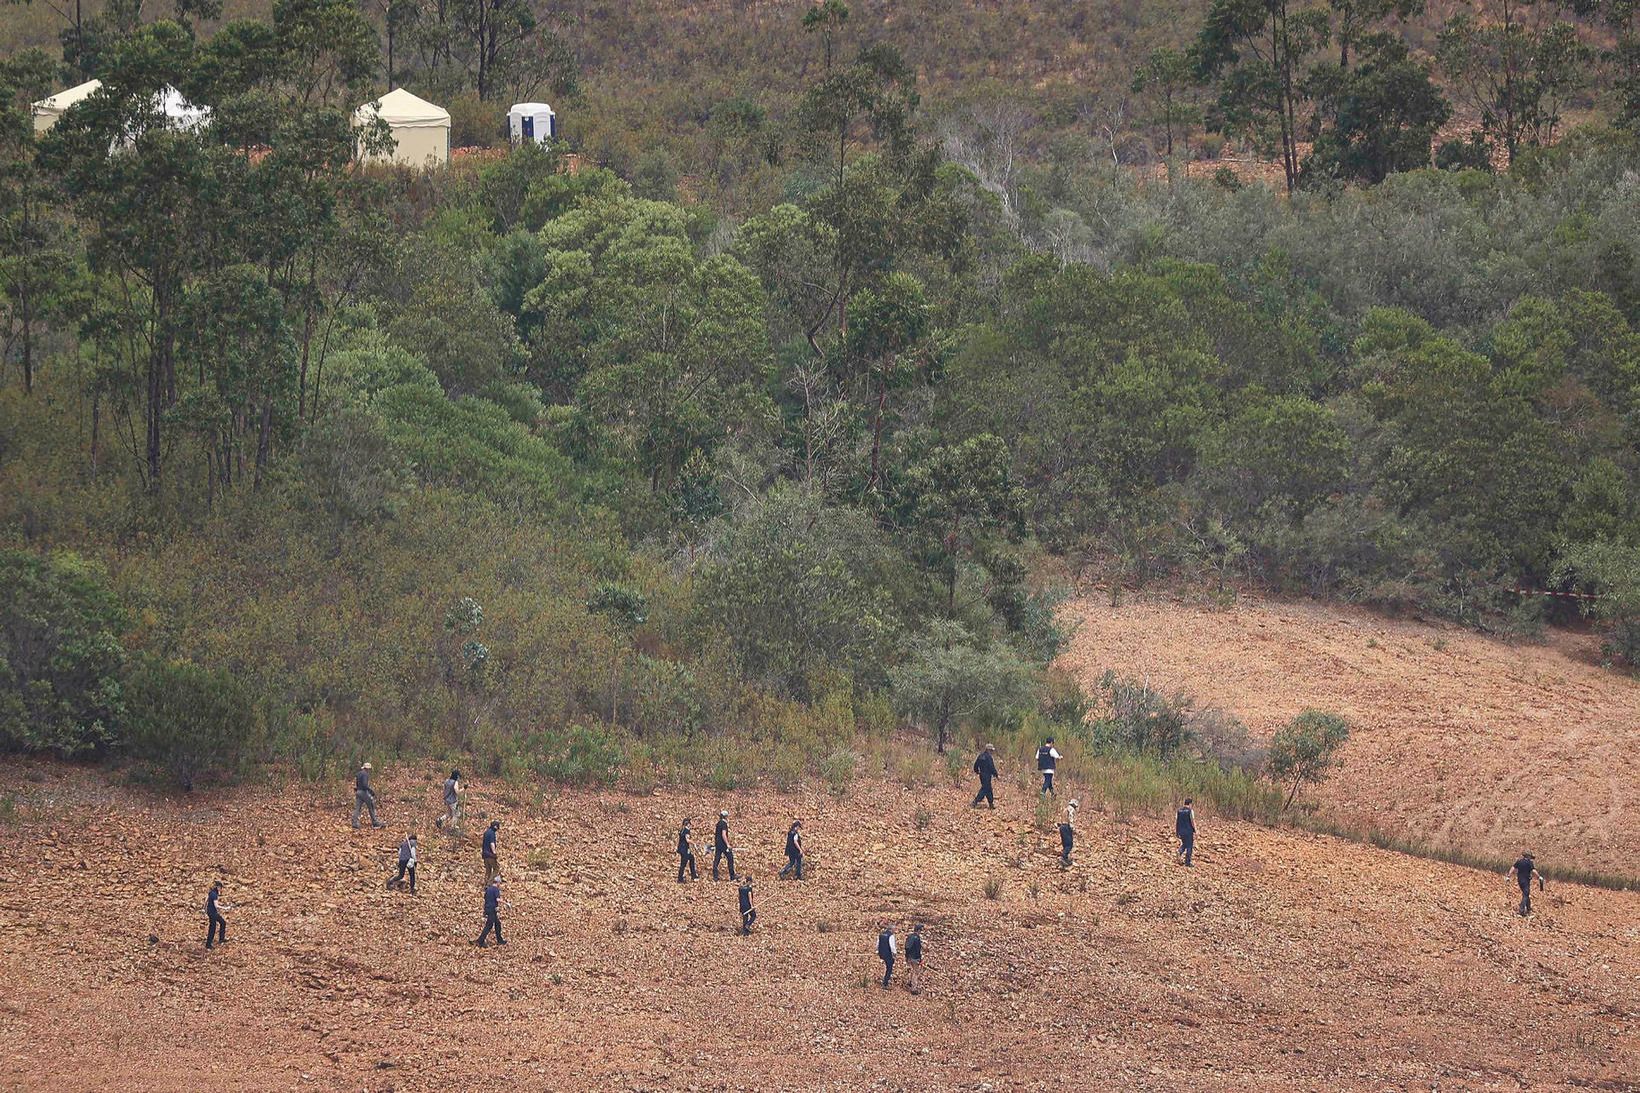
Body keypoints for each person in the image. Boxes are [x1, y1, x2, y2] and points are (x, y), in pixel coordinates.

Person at [473, 875, 505, 946]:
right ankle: (480, 941)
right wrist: (506, 903)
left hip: (488, 909)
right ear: (497, 883)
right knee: (489, 925)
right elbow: (497, 899)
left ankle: (500, 940)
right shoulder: (496, 889)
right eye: (500, 883)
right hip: (492, 910)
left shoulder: (488, 889)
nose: (500, 885)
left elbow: (486, 899)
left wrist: (485, 910)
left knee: (497, 924)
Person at [352, 762, 384, 828]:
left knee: (357, 808)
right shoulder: (365, 774)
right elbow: (364, 785)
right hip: (364, 792)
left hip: (358, 792)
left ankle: (355, 823)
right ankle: (375, 822)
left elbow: (358, 784)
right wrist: (371, 791)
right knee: (371, 806)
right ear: (367, 769)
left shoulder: (359, 774)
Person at [712, 809, 736, 881]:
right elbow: (723, 834)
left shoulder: (718, 823)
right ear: (725, 817)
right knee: (730, 858)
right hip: (723, 845)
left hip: (718, 844)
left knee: (717, 859)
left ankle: (715, 876)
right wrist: (728, 844)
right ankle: (732, 876)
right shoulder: (724, 824)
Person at [972, 744, 998, 809]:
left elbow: (975, 765)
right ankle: (975, 802)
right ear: (988, 750)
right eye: (991, 750)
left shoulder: (980, 756)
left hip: (982, 775)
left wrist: (977, 771)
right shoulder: (989, 757)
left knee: (988, 789)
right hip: (987, 775)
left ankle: (991, 804)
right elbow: (991, 767)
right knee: (984, 789)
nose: (992, 752)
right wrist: (996, 774)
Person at [204, 881, 227, 949]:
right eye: (220, 888)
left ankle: (221, 939)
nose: (221, 889)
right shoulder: (214, 894)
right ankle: (208, 944)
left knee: (222, 922)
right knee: (212, 928)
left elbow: (206, 900)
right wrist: (225, 908)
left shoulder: (211, 892)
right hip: (213, 913)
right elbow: (216, 905)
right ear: (218, 887)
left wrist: (205, 909)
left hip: (210, 912)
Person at [905, 923, 925, 994]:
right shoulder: (917, 938)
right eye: (921, 930)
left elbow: (907, 947)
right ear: (918, 930)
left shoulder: (910, 936)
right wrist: (919, 959)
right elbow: (917, 950)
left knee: (912, 970)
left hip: (909, 957)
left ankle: (910, 982)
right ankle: (913, 989)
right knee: (916, 972)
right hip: (914, 958)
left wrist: (907, 956)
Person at [1176, 798, 1196, 867]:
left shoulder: (1179, 811)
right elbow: (1192, 821)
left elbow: (1177, 821)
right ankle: (1187, 862)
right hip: (1188, 831)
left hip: (1181, 831)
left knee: (1184, 843)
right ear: (1190, 804)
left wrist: (1177, 831)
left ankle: (1180, 851)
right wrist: (1195, 830)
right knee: (1189, 846)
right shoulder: (1190, 811)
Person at [1059, 798, 1079, 869]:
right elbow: (1071, 819)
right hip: (1066, 827)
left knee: (1065, 844)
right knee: (1069, 844)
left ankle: (1065, 859)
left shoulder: (1065, 809)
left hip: (1062, 826)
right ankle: (1063, 857)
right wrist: (1073, 829)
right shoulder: (1071, 809)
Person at [877, 923, 897, 989]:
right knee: (889, 968)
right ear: (891, 929)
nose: (895, 930)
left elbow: (877, 944)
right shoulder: (891, 936)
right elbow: (892, 947)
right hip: (888, 954)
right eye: (894, 929)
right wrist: (894, 954)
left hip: (882, 953)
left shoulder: (881, 934)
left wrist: (877, 951)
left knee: (887, 967)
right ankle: (885, 983)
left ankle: (885, 979)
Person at [482, 820, 501, 884]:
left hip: (484, 855)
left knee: (488, 870)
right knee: (496, 869)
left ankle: (485, 883)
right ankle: (489, 883)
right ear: (495, 826)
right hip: (490, 855)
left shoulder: (486, 832)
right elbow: (492, 843)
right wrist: (494, 853)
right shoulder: (492, 833)